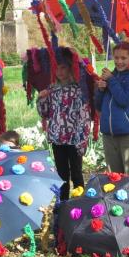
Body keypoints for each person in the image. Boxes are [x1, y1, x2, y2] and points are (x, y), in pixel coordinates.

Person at [37, 52, 92, 200]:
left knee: (76, 173)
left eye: (63, 68)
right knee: (61, 174)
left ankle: (81, 203)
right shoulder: (51, 89)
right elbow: (45, 113)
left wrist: (83, 137)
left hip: (74, 138)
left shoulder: (78, 90)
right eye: (57, 68)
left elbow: (84, 115)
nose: (60, 72)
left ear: (70, 69)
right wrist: (41, 99)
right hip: (57, 138)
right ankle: (62, 204)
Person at [96, 42, 129, 174]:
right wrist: (100, 90)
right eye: (116, 58)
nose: (119, 61)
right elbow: (98, 105)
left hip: (127, 133)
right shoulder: (111, 76)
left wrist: (111, 80)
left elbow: (124, 100)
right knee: (114, 176)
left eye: (123, 58)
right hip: (108, 134)